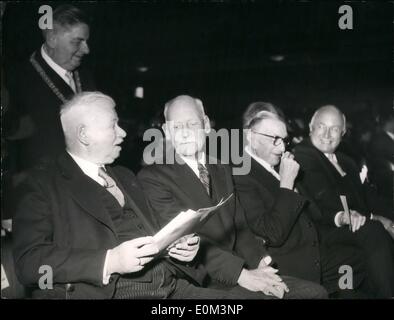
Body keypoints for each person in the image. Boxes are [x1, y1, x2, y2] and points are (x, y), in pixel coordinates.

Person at [14, 91, 299, 300]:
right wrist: (109, 261)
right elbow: (28, 263)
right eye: (113, 125)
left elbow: (161, 232)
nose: (124, 133)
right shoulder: (41, 184)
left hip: (173, 285)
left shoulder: (125, 176)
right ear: (85, 135)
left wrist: (181, 247)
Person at [138, 95, 328, 299]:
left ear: (206, 125)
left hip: (240, 269)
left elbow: (240, 226)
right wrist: (242, 275)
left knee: (315, 293)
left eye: (192, 124)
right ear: (166, 132)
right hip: (203, 280)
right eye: (176, 127)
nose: (184, 133)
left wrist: (261, 263)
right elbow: (185, 240)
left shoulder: (221, 168)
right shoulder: (152, 178)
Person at [234, 106, 366, 297]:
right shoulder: (241, 174)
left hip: (314, 251)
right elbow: (272, 233)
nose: (281, 148)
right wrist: (286, 183)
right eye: (274, 140)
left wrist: (294, 185)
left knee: (357, 259)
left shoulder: (277, 165)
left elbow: (315, 214)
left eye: (284, 140)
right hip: (286, 265)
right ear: (251, 137)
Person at [294, 105, 394, 298]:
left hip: (352, 223)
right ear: (310, 127)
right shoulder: (304, 154)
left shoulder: (346, 160)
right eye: (321, 126)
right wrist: (376, 218)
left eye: (335, 129)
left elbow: (367, 196)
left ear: (343, 132)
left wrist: (389, 216)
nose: (327, 134)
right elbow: (326, 198)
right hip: (325, 226)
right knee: (373, 230)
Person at [6, 4, 95, 171]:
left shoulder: (86, 76)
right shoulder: (17, 80)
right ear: (52, 39)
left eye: (87, 41)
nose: (86, 50)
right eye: (78, 42)